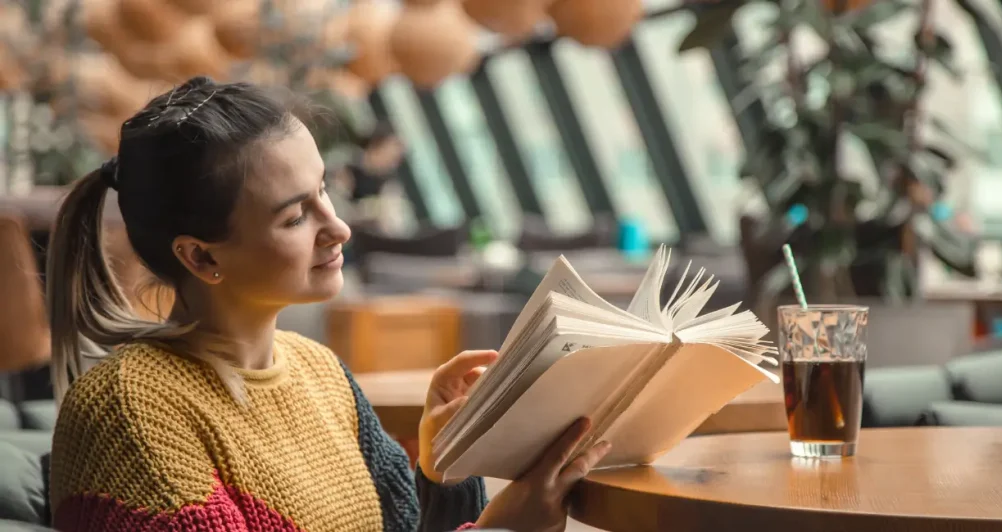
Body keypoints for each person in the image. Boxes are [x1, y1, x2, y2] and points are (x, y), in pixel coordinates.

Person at [45, 76, 611, 532]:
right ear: (199, 257)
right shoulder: (129, 412)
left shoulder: (320, 372)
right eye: (295, 217)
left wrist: (445, 464)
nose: (337, 226)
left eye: (324, 190)